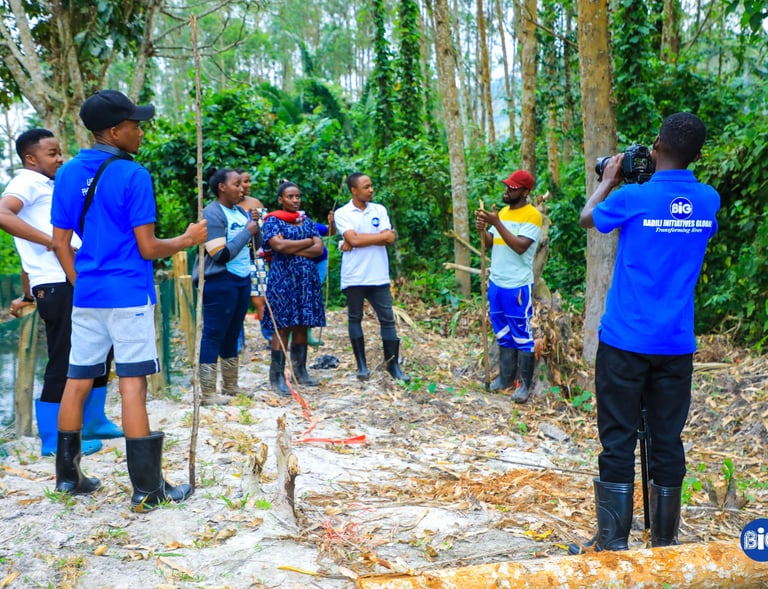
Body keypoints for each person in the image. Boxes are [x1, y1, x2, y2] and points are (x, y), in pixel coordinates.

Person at [50, 89, 207, 509]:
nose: (140, 132)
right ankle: (148, 489)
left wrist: (78, 279)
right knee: (133, 384)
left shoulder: (66, 173)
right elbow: (148, 247)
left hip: (88, 295)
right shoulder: (134, 175)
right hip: (129, 294)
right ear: (114, 131)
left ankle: (69, 478)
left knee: (78, 380)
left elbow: (59, 241)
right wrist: (188, 240)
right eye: (135, 126)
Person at [572, 113, 719, 552]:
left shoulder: (633, 197)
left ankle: (614, 545)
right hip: (675, 344)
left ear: (656, 145)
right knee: (666, 440)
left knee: (617, 439)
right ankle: (664, 544)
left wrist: (611, 178)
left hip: (624, 342)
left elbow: (587, 218)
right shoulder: (708, 200)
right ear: (697, 155)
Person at [0, 128, 123, 458]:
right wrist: (53, 242)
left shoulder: (47, 185)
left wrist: (26, 294)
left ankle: (94, 420)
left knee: (99, 348)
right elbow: (2, 214)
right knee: (65, 357)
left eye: (59, 152)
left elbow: (27, 250)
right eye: (52, 153)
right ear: (30, 159)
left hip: (72, 277)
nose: (60, 158)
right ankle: (54, 440)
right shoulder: (25, 181)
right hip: (57, 282)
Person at [333, 173, 410, 383]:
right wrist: (379, 237)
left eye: (371, 186)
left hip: (379, 275)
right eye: (366, 187)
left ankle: (392, 366)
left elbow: (389, 238)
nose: (371, 190)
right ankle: (362, 366)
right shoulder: (342, 213)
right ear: (353, 190)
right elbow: (353, 239)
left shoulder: (379, 210)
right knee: (355, 317)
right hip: (355, 276)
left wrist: (358, 239)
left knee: (387, 320)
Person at [475, 170, 542, 403]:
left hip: (517, 286)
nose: (507, 190)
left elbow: (521, 246)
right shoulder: (503, 212)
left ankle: (523, 386)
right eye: (507, 186)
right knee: (502, 332)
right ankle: (504, 378)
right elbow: (490, 242)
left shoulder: (532, 216)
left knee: (521, 334)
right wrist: (484, 228)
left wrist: (497, 222)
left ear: (525, 192)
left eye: (512, 188)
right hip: (497, 282)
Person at [196, 168, 261, 405]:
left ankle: (231, 386)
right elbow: (219, 254)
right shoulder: (211, 214)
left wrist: (255, 226)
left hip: (241, 279)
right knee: (213, 333)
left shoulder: (240, 212)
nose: (242, 188)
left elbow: (254, 246)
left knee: (233, 333)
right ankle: (208, 392)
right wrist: (247, 232)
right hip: (220, 280)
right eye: (236, 184)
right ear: (222, 187)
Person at [261, 181, 325, 395]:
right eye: (290, 196)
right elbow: (278, 246)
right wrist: (306, 242)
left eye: (297, 196)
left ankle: (301, 372)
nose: (295, 200)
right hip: (283, 279)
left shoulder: (305, 221)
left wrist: (292, 247)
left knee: (302, 324)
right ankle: (277, 376)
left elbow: (318, 249)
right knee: (283, 325)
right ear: (281, 199)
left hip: (306, 279)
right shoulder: (272, 221)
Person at [237, 170, 272, 346]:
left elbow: (265, 229)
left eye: (249, 181)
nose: (248, 185)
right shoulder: (228, 206)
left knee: (261, 299)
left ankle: (270, 336)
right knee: (237, 301)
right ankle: (237, 341)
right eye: (244, 182)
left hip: (257, 256)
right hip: (237, 256)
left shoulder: (255, 203)